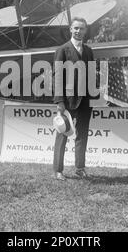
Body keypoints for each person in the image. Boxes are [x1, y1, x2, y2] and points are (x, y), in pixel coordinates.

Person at [52, 16, 94, 181]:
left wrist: (94, 98)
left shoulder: (89, 51)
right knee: (62, 134)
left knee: (82, 134)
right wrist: (59, 101)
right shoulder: (62, 50)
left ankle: (80, 168)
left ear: (85, 30)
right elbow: (57, 77)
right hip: (67, 101)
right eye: (75, 28)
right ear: (70, 29)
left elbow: (91, 76)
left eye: (81, 28)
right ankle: (58, 170)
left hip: (85, 100)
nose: (78, 31)